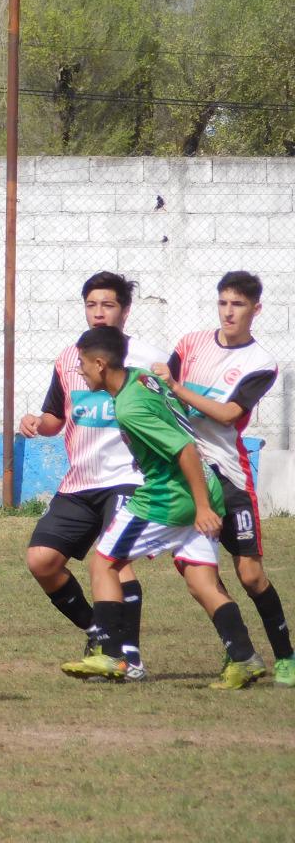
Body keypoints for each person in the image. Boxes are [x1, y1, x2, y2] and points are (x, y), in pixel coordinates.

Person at [59, 326, 265, 688]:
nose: (80, 371)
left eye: (82, 364)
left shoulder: (129, 407)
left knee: (104, 562)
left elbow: (184, 449)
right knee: (202, 581)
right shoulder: (142, 379)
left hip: (171, 496)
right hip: (204, 486)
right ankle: (245, 657)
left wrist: (201, 508)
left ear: (101, 364)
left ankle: (110, 654)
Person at [18, 272, 164, 677]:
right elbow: (56, 417)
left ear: (125, 310)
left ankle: (128, 656)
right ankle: (98, 631)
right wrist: (36, 422)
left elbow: (171, 416)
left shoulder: (146, 359)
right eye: (92, 305)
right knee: (41, 561)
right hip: (80, 481)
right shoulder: (70, 359)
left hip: (129, 479)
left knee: (113, 562)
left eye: (108, 305)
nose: (99, 313)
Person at [151, 271, 293, 688]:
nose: (229, 312)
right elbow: (161, 392)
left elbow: (230, 414)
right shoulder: (191, 344)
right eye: (224, 303)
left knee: (250, 575)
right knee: (199, 576)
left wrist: (176, 387)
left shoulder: (260, 363)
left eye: (239, 305)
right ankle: (241, 656)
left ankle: (286, 655)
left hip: (229, 475)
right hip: (187, 473)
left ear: (256, 310)